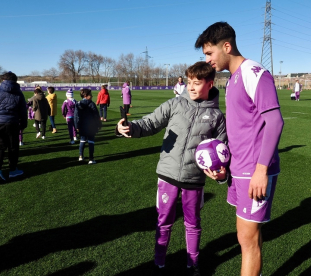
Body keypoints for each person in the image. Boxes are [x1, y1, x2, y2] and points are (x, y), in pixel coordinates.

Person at [117, 62, 227, 276]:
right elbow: (150, 123)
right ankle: (159, 263)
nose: (191, 87)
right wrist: (129, 128)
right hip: (167, 176)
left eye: (197, 83)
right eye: (189, 82)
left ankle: (192, 264)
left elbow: (223, 150)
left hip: (195, 179)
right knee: (164, 221)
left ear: (210, 84)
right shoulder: (175, 104)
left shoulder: (217, 117)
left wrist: (222, 174)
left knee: (193, 224)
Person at [195, 22, 284, 276]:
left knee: (248, 239)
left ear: (227, 46)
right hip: (239, 169)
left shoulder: (254, 73)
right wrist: (224, 167)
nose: (208, 60)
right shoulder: (233, 79)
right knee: (244, 236)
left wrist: (261, 170)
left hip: (255, 170)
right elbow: (241, 129)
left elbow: (275, 122)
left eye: (210, 53)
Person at [0, 71, 27, 181]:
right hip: (13, 123)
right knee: (13, 148)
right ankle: (13, 170)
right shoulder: (19, 93)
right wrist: (23, 124)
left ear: (3, 80)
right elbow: (23, 111)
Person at [74, 88, 101, 164]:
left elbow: (76, 116)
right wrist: (98, 124)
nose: (92, 96)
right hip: (91, 126)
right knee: (91, 141)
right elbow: (96, 115)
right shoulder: (91, 104)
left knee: (82, 140)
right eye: (90, 95)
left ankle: (80, 156)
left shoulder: (78, 104)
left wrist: (76, 126)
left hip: (82, 126)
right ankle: (91, 158)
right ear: (86, 96)